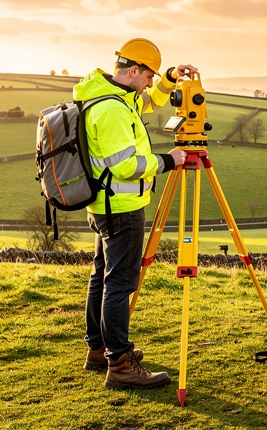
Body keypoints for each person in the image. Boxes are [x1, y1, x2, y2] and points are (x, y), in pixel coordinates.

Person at [77, 37, 197, 390]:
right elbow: (127, 164)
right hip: (122, 207)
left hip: (103, 204)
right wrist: (167, 161)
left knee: (102, 277)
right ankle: (121, 365)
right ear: (133, 71)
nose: (149, 84)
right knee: (119, 284)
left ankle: (99, 349)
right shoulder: (113, 109)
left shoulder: (106, 95)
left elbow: (149, 100)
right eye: (148, 76)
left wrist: (171, 77)